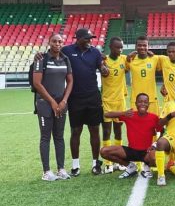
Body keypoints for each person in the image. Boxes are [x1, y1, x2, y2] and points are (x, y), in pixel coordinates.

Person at [36, 28, 110, 176]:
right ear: (78, 38)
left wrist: (103, 68)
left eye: (91, 38)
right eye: (87, 38)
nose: (90, 41)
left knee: (94, 130)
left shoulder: (95, 52)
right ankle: (75, 165)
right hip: (74, 98)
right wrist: (39, 55)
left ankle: (96, 164)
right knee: (76, 131)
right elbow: (53, 53)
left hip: (93, 97)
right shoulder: (67, 51)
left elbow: (101, 65)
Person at [33, 33, 73, 181]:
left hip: (61, 104)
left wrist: (64, 101)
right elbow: (37, 83)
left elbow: (70, 81)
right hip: (45, 104)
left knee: (59, 136)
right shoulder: (41, 59)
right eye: (54, 41)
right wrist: (52, 102)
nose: (57, 44)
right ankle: (46, 172)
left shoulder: (65, 59)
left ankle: (61, 169)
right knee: (45, 137)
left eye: (60, 41)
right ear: (49, 42)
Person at [100, 93, 160, 179]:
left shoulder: (153, 117)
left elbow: (162, 132)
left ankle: (147, 167)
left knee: (155, 158)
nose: (142, 104)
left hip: (146, 152)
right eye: (140, 102)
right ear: (135, 103)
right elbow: (107, 115)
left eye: (145, 102)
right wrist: (123, 113)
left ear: (148, 104)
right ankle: (130, 166)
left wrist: (154, 145)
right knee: (104, 151)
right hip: (131, 151)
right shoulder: (130, 115)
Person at [101, 37, 128, 173]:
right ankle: (107, 163)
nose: (120, 50)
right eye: (117, 47)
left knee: (118, 131)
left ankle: (118, 160)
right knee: (106, 131)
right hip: (107, 100)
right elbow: (103, 72)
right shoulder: (104, 60)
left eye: (121, 47)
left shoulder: (124, 59)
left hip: (120, 101)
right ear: (111, 47)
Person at [127, 36, 161, 115]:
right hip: (136, 100)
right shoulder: (130, 59)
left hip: (152, 99)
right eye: (139, 45)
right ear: (135, 46)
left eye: (145, 45)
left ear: (148, 46)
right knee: (136, 124)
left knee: (154, 123)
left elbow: (166, 68)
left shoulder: (155, 58)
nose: (142, 47)